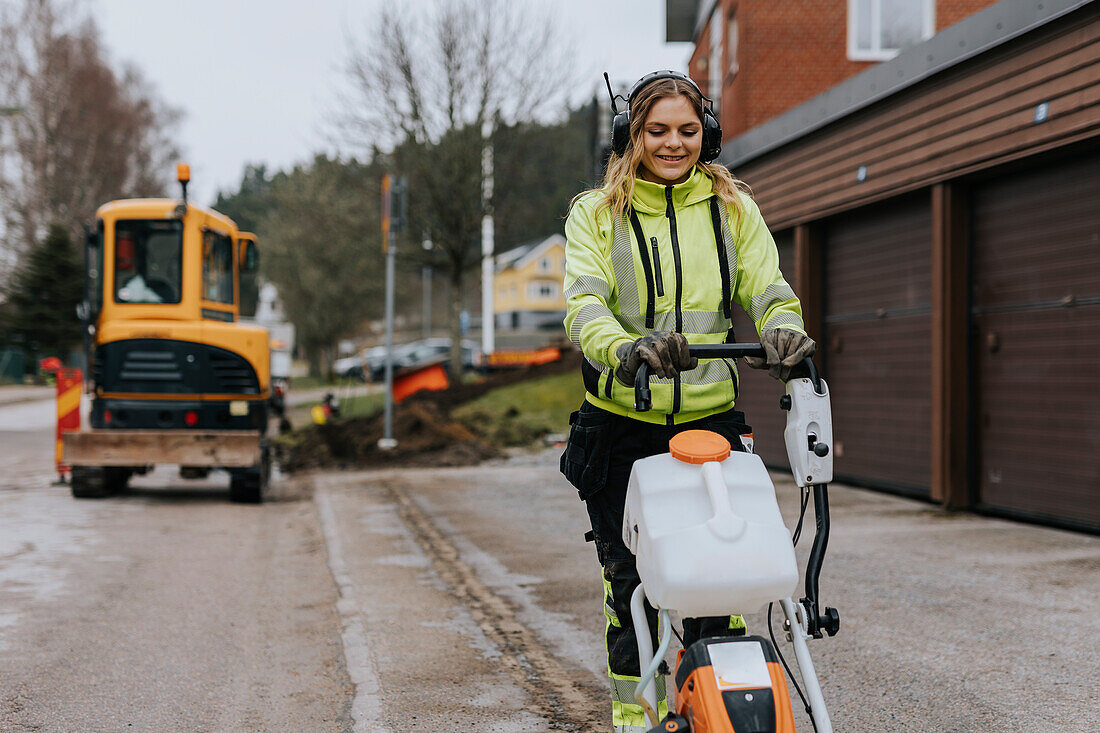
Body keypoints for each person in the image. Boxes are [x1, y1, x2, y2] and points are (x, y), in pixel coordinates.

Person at [560, 70, 814, 732]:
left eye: (688, 131)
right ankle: (632, 712)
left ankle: (714, 709)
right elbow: (584, 305)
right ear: (631, 136)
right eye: (657, 131)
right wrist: (624, 347)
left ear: (709, 136)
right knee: (631, 582)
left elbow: (769, 286)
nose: (673, 143)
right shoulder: (595, 213)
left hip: (710, 426)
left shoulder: (734, 210)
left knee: (718, 580)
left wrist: (783, 326)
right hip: (619, 426)